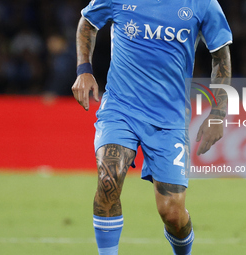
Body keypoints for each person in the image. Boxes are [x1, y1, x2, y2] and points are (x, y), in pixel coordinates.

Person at [71, 0, 232, 254]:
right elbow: (88, 23)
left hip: (170, 119)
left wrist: (219, 113)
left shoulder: (203, 4)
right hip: (121, 108)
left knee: (172, 214)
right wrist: (84, 70)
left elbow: (220, 55)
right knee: (108, 178)